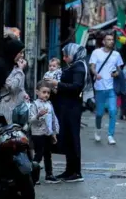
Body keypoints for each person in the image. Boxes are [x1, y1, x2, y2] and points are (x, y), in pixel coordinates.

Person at [45, 43, 87, 183]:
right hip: (67, 107)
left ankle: (76, 172)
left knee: (73, 138)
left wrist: (57, 84)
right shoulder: (75, 66)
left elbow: (76, 87)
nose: (64, 58)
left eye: (66, 55)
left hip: (72, 108)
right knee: (68, 138)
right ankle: (70, 170)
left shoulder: (79, 68)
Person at [89, 32, 124, 145]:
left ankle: (110, 135)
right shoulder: (96, 53)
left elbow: (119, 70)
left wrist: (116, 74)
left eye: (112, 39)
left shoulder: (116, 55)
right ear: (103, 42)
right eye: (108, 39)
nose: (111, 41)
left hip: (111, 88)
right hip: (99, 88)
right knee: (99, 113)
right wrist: (96, 74)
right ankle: (98, 130)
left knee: (113, 111)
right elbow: (92, 67)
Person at [29, 80, 60, 184]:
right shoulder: (34, 105)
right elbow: (30, 120)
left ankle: (49, 174)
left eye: (48, 93)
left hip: (47, 133)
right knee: (39, 154)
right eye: (44, 92)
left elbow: (53, 119)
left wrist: (54, 133)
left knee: (48, 154)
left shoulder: (49, 104)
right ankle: (34, 177)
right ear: (37, 92)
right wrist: (38, 115)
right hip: (38, 134)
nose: (46, 95)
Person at [0, 38, 29, 124]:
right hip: (7, 107)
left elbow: (21, 85)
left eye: (23, 52)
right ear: (13, 52)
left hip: (19, 106)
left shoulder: (16, 64)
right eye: (20, 52)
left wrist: (24, 93)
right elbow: (11, 86)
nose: (22, 55)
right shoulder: (2, 65)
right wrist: (20, 70)